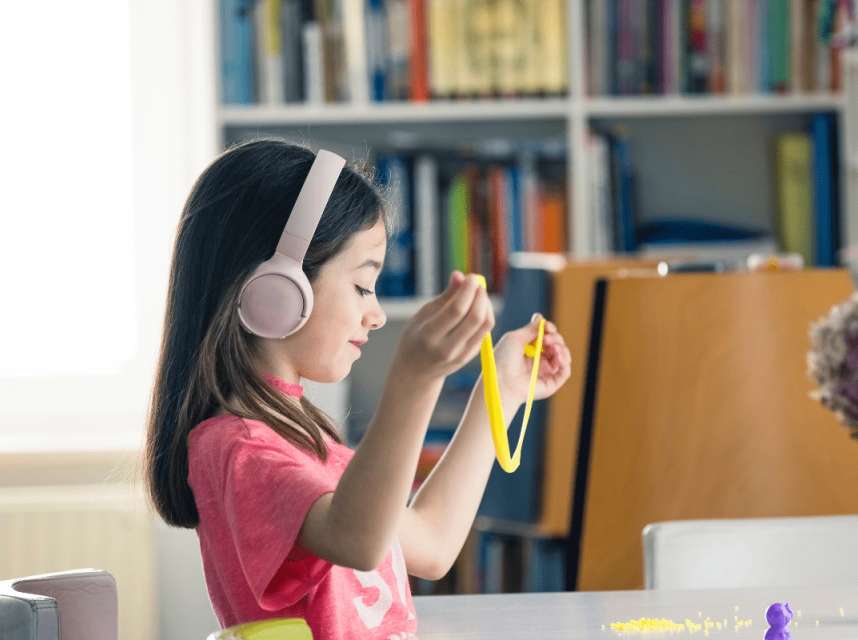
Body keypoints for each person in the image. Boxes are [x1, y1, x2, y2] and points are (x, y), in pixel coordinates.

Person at [143, 139, 571, 639]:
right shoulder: (238, 450)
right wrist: (415, 377)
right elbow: (357, 539)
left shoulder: (299, 437)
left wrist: (499, 392)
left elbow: (430, 545)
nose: (377, 313)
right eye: (363, 286)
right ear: (277, 289)